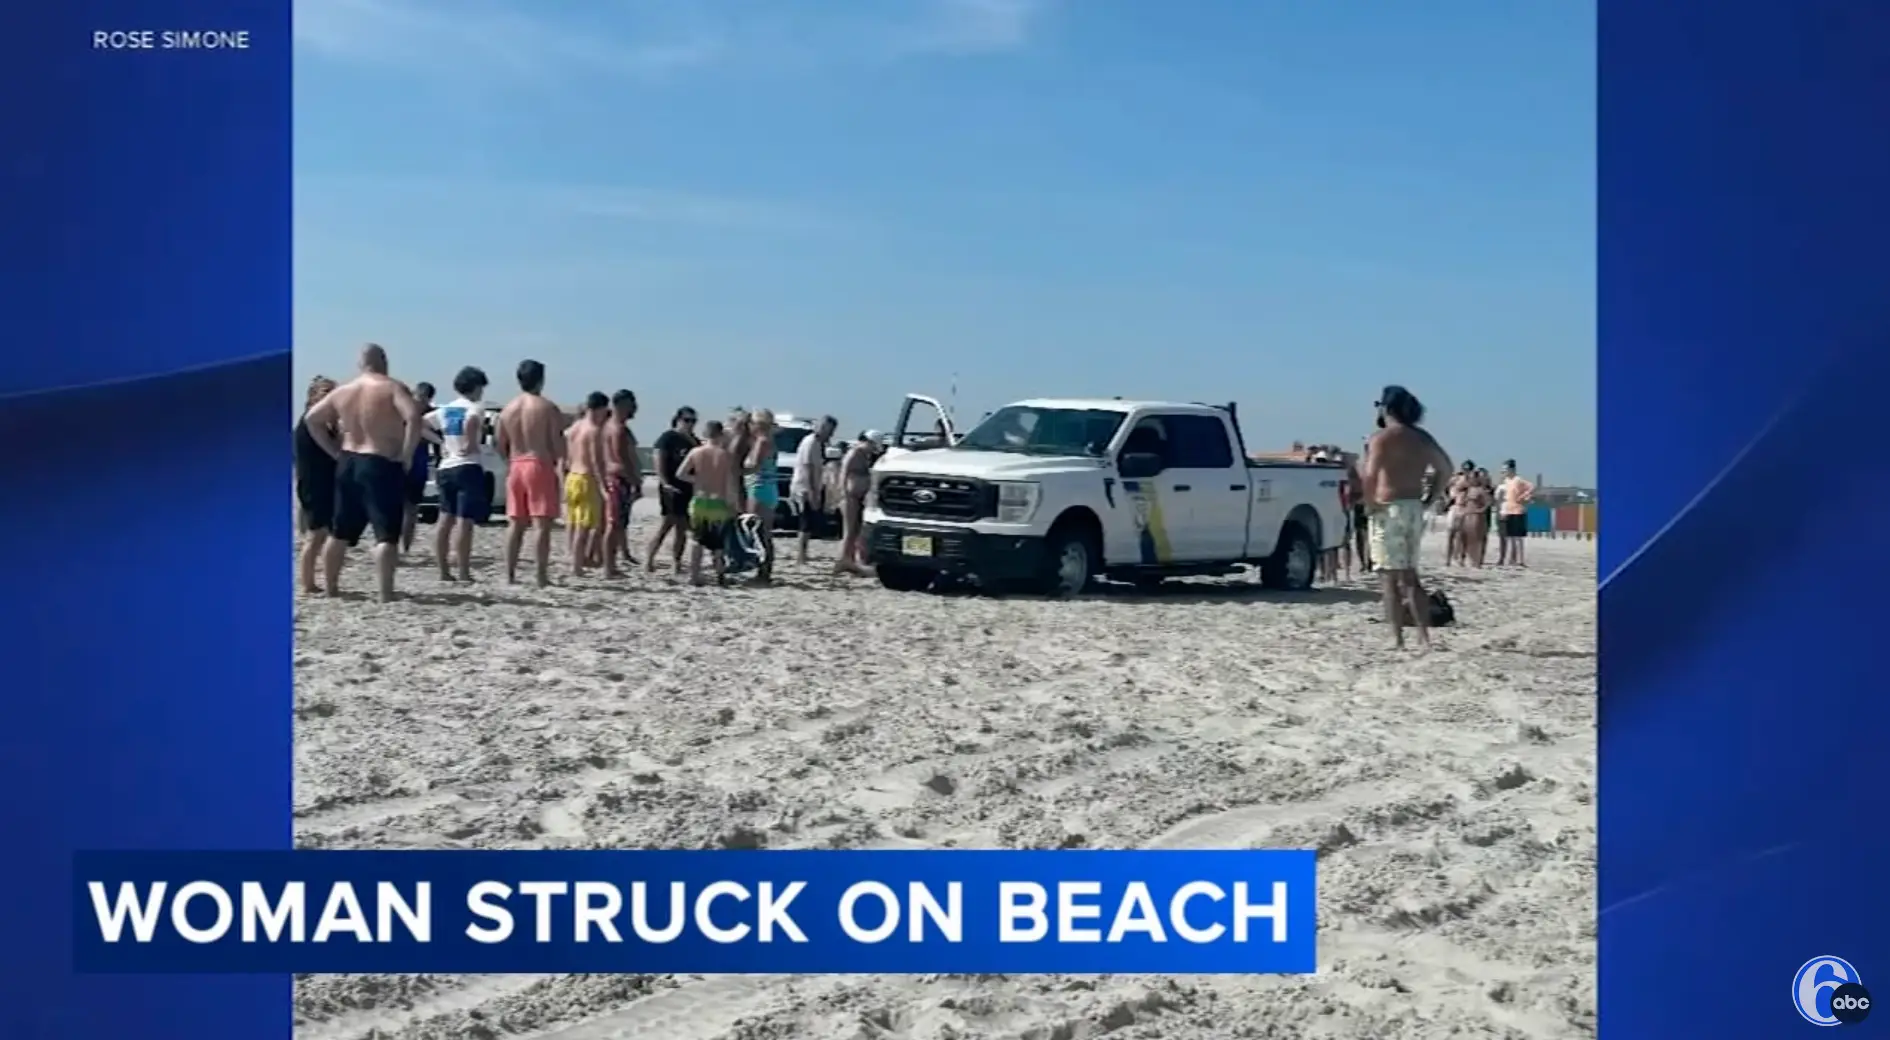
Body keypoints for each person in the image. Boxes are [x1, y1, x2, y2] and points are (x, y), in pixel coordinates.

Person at [304, 344, 425, 602]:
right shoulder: (391, 387)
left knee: (339, 532)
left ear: (360, 364)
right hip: (380, 461)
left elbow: (312, 419)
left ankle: (332, 588)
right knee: (386, 534)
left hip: (348, 461)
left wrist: (334, 452)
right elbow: (414, 416)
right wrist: (406, 454)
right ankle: (385, 593)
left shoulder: (343, 391)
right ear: (384, 360)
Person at [1360, 385, 1453, 650]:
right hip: (1413, 506)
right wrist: (1431, 496)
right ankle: (1423, 635)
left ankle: (1397, 637)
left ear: (1386, 408)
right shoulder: (1421, 438)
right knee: (1410, 575)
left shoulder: (1381, 438)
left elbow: (1370, 474)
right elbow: (1445, 468)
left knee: (1388, 578)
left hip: (1387, 507)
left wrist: (1370, 503)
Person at [496, 359, 566, 587]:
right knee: (541, 524)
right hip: (538, 463)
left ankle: (509, 574)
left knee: (515, 523)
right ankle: (540, 575)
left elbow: (500, 443)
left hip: (516, 464)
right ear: (541, 379)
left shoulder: (508, 409)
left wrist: (510, 460)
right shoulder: (546, 407)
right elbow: (557, 445)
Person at [426, 366, 489, 583]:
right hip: (467, 465)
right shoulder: (475, 407)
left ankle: (443, 570)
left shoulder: (445, 409)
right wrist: (470, 443)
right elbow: (471, 422)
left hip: (446, 466)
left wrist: (440, 442)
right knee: (465, 521)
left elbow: (419, 423)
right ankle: (463, 571)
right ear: (476, 387)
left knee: (445, 519)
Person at [675, 419, 740, 586]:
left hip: (699, 500)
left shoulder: (696, 452)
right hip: (719, 502)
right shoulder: (725, 455)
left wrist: (697, 480)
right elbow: (730, 483)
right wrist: (733, 504)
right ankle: (720, 575)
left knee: (697, 540)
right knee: (718, 543)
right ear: (721, 434)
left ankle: (694, 575)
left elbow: (680, 474)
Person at [295, 376, 340, 595]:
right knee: (316, 535)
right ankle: (308, 583)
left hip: (325, 481)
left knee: (322, 534)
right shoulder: (311, 421)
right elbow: (333, 453)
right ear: (313, 395)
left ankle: (312, 581)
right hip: (314, 482)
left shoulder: (324, 422)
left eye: (333, 391)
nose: (331, 396)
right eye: (325, 391)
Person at [561, 392, 609, 579]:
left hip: (572, 476)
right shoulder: (594, 430)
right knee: (584, 525)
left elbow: (567, 457)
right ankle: (576, 566)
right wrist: (603, 486)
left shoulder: (574, 427)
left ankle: (573, 559)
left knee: (573, 522)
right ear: (600, 409)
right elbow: (597, 461)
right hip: (586, 478)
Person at [646, 408, 700, 573]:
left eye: (693, 421)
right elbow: (658, 459)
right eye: (687, 420)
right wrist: (664, 483)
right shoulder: (668, 437)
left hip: (688, 487)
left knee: (682, 527)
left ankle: (676, 562)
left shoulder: (694, 441)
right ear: (678, 420)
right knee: (667, 524)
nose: (690, 424)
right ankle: (649, 559)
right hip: (671, 486)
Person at [600, 389, 641, 577]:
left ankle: (612, 564)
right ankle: (609, 567)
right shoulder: (618, 429)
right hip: (619, 478)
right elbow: (622, 458)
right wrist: (635, 482)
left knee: (617, 524)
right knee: (614, 524)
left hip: (616, 477)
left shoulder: (609, 426)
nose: (635, 408)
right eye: (632, 404)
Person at [742, 409, 782, 584]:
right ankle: (764, 571)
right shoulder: (769, 440)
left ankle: (764, 572)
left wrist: (735, 470)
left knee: (759, 533)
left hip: (759, 488)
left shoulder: (762, 441)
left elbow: (754, 465)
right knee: (764, 532)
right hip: (767, 488)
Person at [836, 431, 883, 575]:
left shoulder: (864, 455)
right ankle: (843, 559)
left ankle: (849, 559)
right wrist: (842, 493)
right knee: (849, 530)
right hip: (849, 497)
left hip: (857, 497)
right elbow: (843, 474)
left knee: (855, 530)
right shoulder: (854, 453)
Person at [792, 415, 838, 565]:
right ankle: (801, 556)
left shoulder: (819, 444)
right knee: (805, 522)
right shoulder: (810, 442)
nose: (830, 434)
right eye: (828, 430)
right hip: (805, 487)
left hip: (813, 485)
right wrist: (813, 492)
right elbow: (808, 468)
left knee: (810, 522)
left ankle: (803, 554)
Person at [401, 382, 439, 556]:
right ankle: (392, 544)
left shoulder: (431, 414)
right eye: (418, 398)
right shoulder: (401, 411)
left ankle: (405, 547)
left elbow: (438, 437)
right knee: (395, 506)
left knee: (412, 508)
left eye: (424, 399)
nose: (420, 403)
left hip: (419, 462)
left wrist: (438, 458)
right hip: (399, 460)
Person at [1497, 459, 1536, 567]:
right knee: (1509, 537)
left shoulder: (1518, 480)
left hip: (1518, 511)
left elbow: (1531, 487)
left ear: (1511, 469)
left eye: (1505, 469)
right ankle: (1512, 559)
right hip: (1507, 511)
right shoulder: (1505, 481)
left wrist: (1523, 497)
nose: (1504, 471)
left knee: (1518, 537)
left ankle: (1520, 560)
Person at [1461, 469, 1493, 568]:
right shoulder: (1468, 490)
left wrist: (1481, 510)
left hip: (1477, 516)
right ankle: (1468, 559)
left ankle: (1476, 561)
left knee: (1476, 538)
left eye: (1473, 478)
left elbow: (1488, 502)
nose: (1471, 479)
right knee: (1467, 537)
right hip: (1468, 515)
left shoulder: (1481, 490)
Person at [1443, 462, 1473, 566]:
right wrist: (1448, 498)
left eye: (1468, 470)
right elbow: (1445, 487)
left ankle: (1461, 558)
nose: (1466, 471)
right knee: (1451, 534)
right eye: (1465, 469)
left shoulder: (1472, 481)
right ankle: (1448, 558)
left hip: (1465, 508)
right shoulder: (1456, 479)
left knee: (1463, 535)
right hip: (1455, 507)